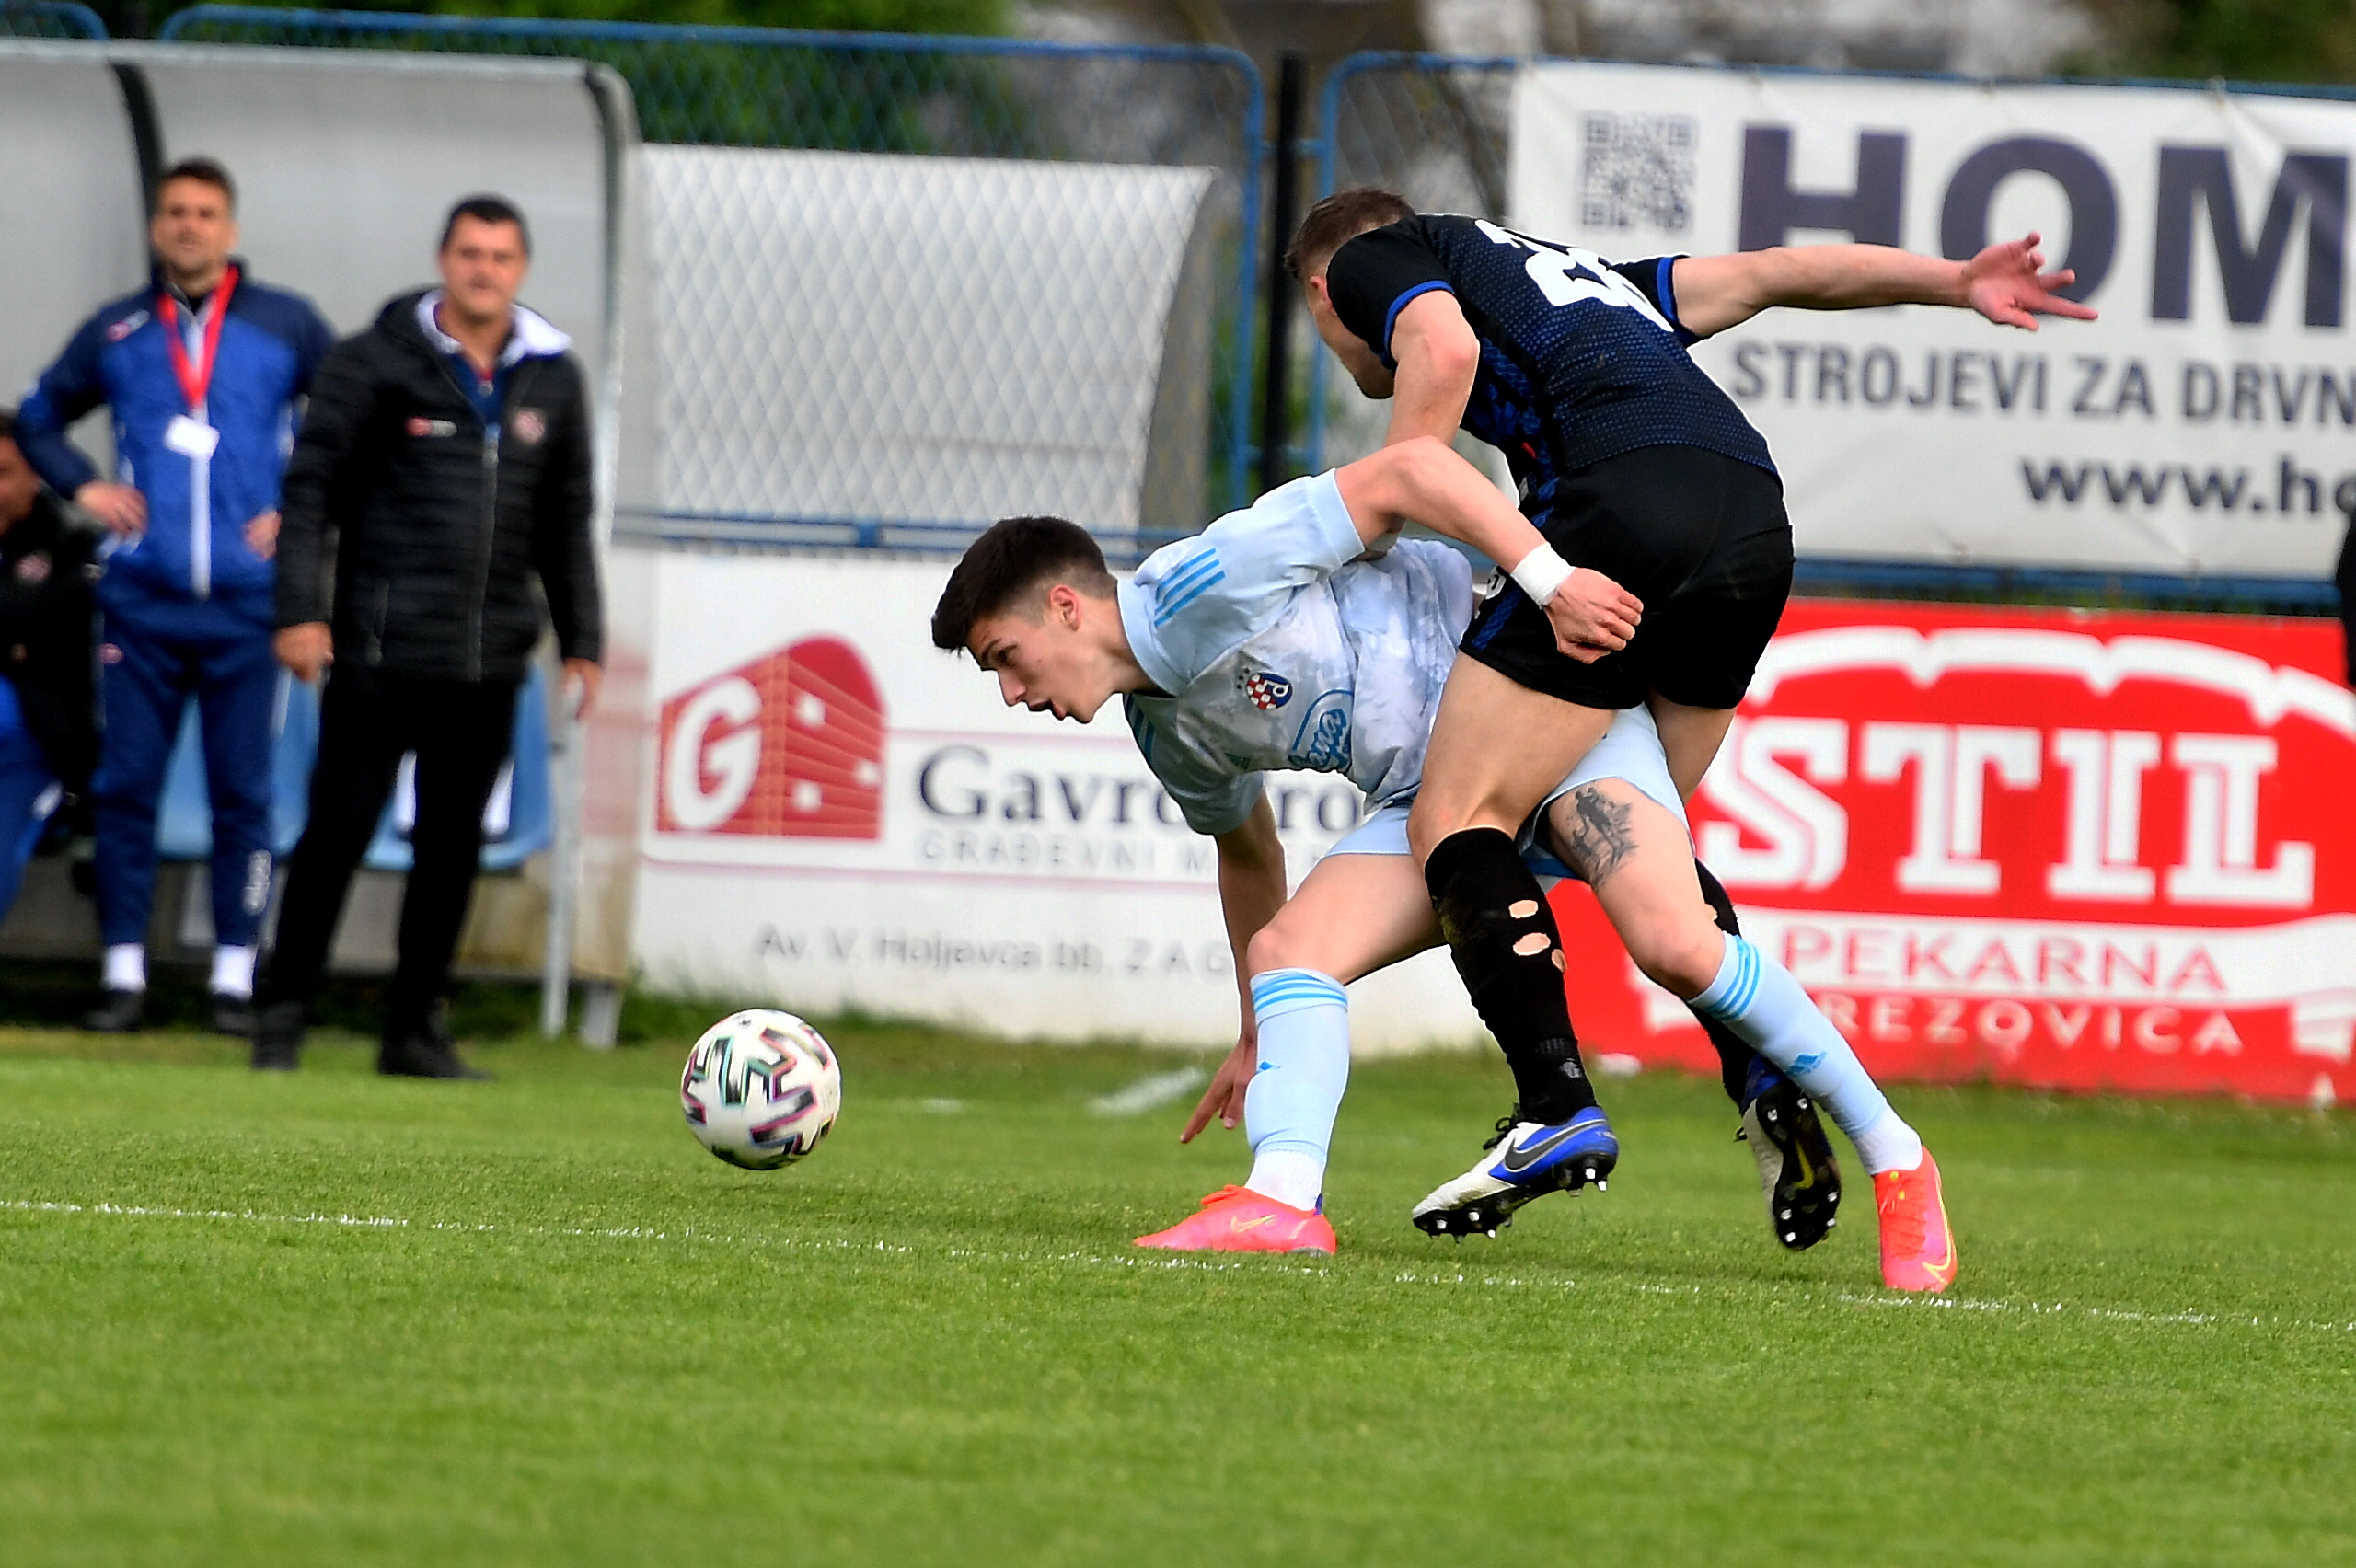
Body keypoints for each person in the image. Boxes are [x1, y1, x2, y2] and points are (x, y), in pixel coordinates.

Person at [1291, 190, 2098, 1291]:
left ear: (1321, 292)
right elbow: (1775, 272)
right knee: (1652, 893)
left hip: (1618, 516)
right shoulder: (1593, 285)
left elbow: (1440, 351)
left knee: (1458, 817)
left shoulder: (1375, 257)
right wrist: (1952, 280)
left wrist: (1379, 510)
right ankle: (1884, 1149)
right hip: (1749, 525)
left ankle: (1552, 1105)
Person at [933, 437, 1865, 1278]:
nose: (1013, 693)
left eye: (1008, 657)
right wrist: (1259, 1029)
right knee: (1291, 952)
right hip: (1429, 800)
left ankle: (1856, 1137)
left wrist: (1546, 583)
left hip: (1527, 696)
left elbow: (1409, 470)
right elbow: (1248, 853)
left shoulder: (1204, 579)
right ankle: (1281, 1203)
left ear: (1065, 607)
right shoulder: (1163, 729)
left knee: (1667, 928)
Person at [252, 195, 601, 1078]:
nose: (485, 270)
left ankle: (413, 1032)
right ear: (444, 260)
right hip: (378, 650)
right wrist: (299, 612)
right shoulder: (371, 361)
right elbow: (310, 492)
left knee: (452, 850)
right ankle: (282, 1016)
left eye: (501, 257)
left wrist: (584, 641)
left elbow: (566, 524)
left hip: (489, 661)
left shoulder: (553, 376)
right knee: (337, 832)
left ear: (521, 269)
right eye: (470, 254)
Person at [15, 157, 334, 1035]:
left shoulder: (285, 323)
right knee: (126, 787)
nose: (189, 225)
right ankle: (123, 974)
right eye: (175, 212)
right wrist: (84, 487)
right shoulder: (119, 330)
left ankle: (234, 978)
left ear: (231, 229)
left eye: (205, 212)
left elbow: (349, 421)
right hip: (142, 603)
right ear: (156, 228)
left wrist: (299, 507)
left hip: (247, 606)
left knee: (244, 793)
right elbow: (37, 415)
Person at [0, 409, 100, 923]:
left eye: (2, 473)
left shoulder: (71, 547)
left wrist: (20, 630)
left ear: (35, 475)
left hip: (30, 752)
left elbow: (38, 618)